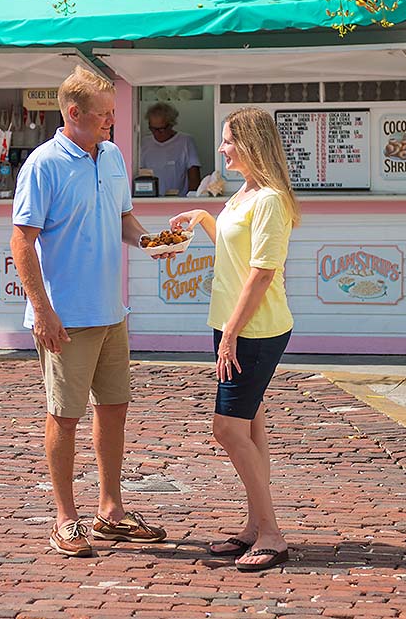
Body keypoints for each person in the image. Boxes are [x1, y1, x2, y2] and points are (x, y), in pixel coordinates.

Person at [10, 65, 167, 558]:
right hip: (66, 318)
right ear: (73, 113)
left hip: (110, 311)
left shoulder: (114, 155)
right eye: (104, 115)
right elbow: (21, 241)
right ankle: (65, 519)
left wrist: (149, 241)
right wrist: (42, 311)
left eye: (114, 115)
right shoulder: (43, 165)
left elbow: (122, 218)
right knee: (64, 415)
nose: (112, 124)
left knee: (114, 409)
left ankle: (110, 511)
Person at [170, 107, 299, 573]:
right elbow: (233, 246)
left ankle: (271, 533)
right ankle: (254, 526)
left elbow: (263, 273)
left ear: (249, 144)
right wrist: (204, 217)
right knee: (250, 427)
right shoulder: (244, 194)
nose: (222, 148)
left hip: (253, 330)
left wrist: (230, 334)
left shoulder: (269, 199)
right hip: (233, 325)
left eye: (227, 140)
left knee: (226, 429)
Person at [140, 101, 201, 195]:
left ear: (171, 124)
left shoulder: (185, 142)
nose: (156, 133)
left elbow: (194, 175)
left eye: (161, 129)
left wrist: (192, 198)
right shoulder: (144, 143)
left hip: (179, 199)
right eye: (152, 129)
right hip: (150, 199)